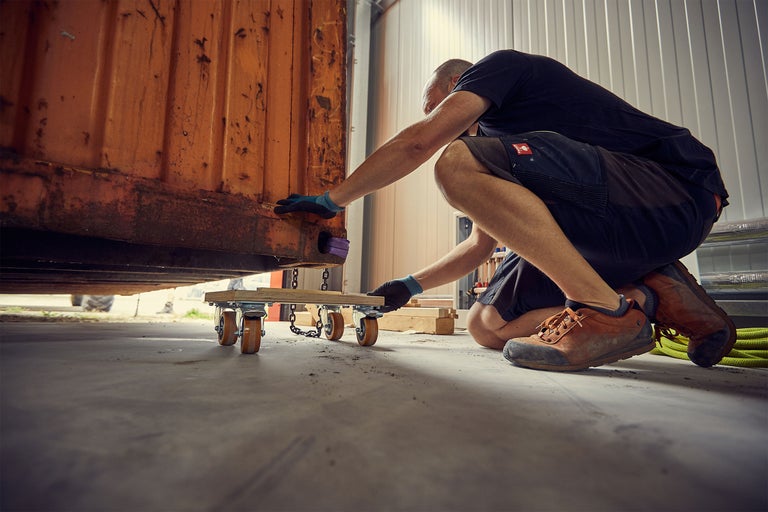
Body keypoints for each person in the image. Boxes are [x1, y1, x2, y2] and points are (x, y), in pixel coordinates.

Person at [275, 49, 734, 371]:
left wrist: (331, 200)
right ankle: (642, 297)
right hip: (627, 224)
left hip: (676, 189)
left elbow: (419, 142)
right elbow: (481, 243)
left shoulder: (503, 69)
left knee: (452, 164)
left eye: (438, 106)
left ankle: (602, 307)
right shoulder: (499, 149)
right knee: (487, 326)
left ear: (458, 84)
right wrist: (408, 286)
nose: (442, 120)